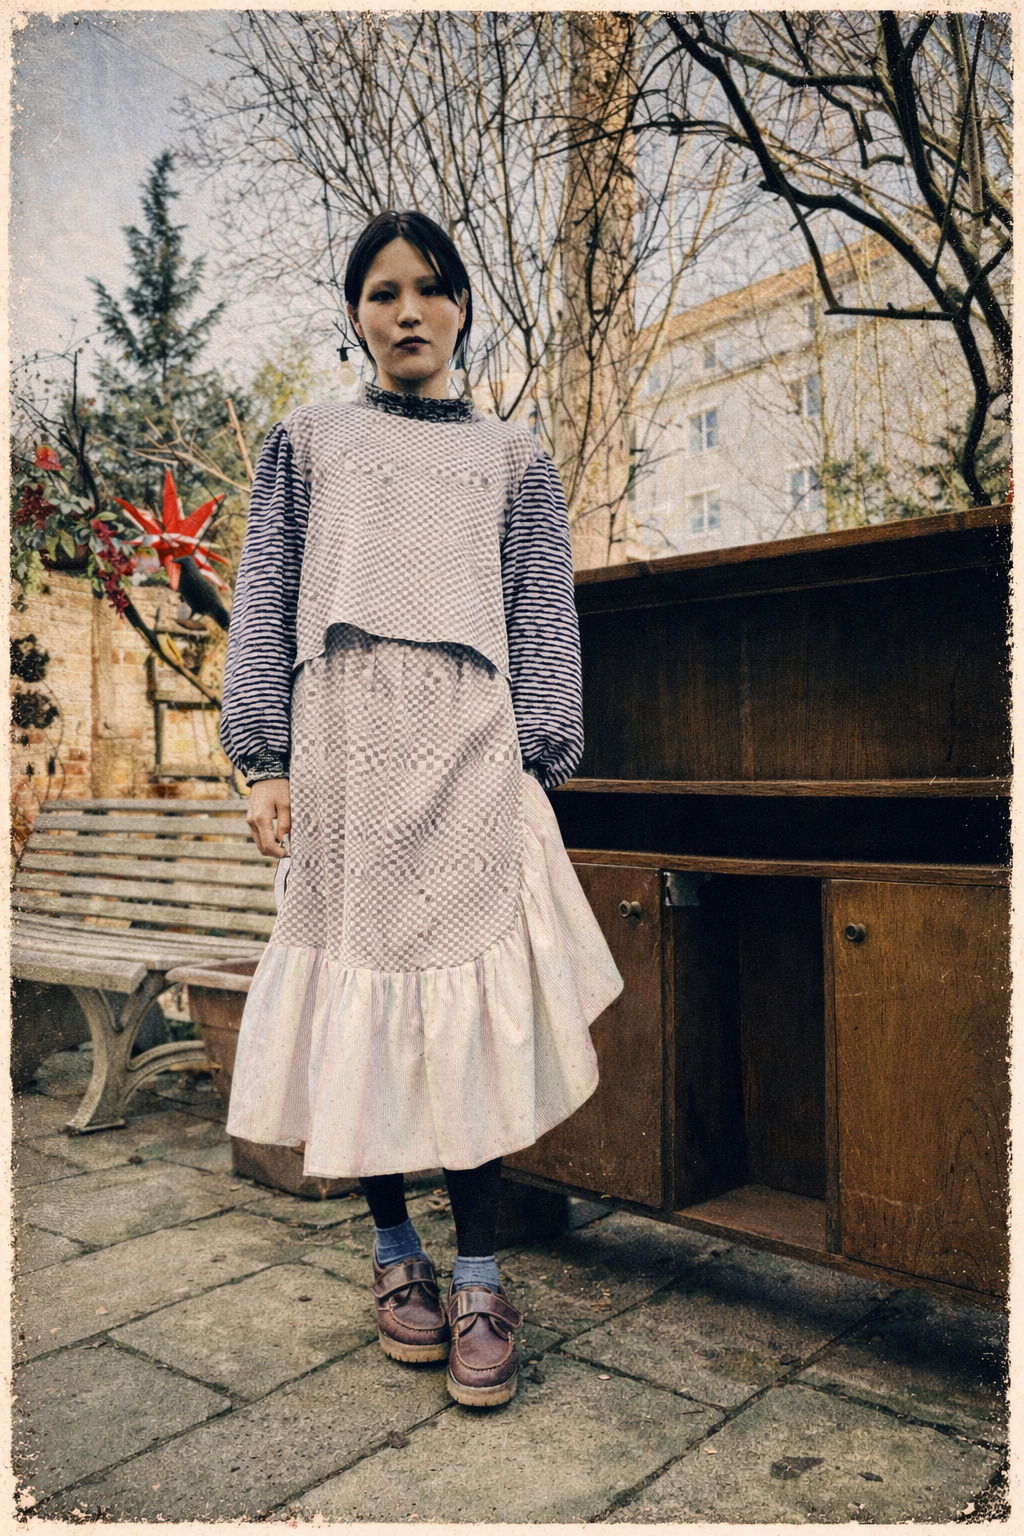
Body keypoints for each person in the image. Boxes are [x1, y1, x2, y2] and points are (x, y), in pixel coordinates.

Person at [219, 209, 622, 1408]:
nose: (407, 311)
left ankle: (481, 1274)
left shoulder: (514, 457)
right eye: (382, 291)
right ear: (354, 314)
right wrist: (263, 761)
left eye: (430, 288)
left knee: (468, 1012)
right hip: (342, 753)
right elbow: (265, 596)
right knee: (361, 1002)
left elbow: (543, 612)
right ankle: (395, 1251)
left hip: (467, 755)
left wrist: (537, 761)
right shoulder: (307, 439)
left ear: (461, 307)